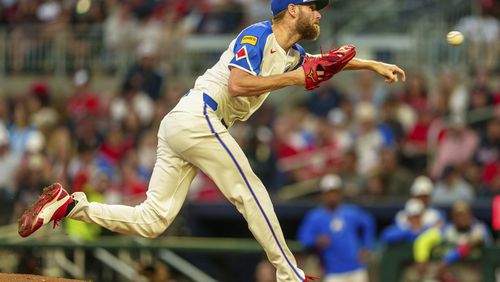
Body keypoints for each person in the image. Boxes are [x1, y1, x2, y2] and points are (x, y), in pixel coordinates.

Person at [18, 0, 405, 281]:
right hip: (198, 117)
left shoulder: (293, 53)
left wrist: (371, 65)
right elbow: (239, 84)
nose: (320, 12)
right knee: (250, 190)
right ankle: (291, 276)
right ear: (292, 10)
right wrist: (297, 78)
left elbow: (325, 64)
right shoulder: (258, 35)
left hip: (187, 124)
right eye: (313, 6)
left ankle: (70, 205)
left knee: (153, 221)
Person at [297, 174, 376, 282]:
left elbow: (368, 222)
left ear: (340, 193)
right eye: (328, 193)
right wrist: (317, 240)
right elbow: (303, 238)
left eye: (335, 192)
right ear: (323, 194)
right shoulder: (315, 216)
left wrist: (366, 247)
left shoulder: (350, 212)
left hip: (356, 268)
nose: (332, 196)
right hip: (333, 271)